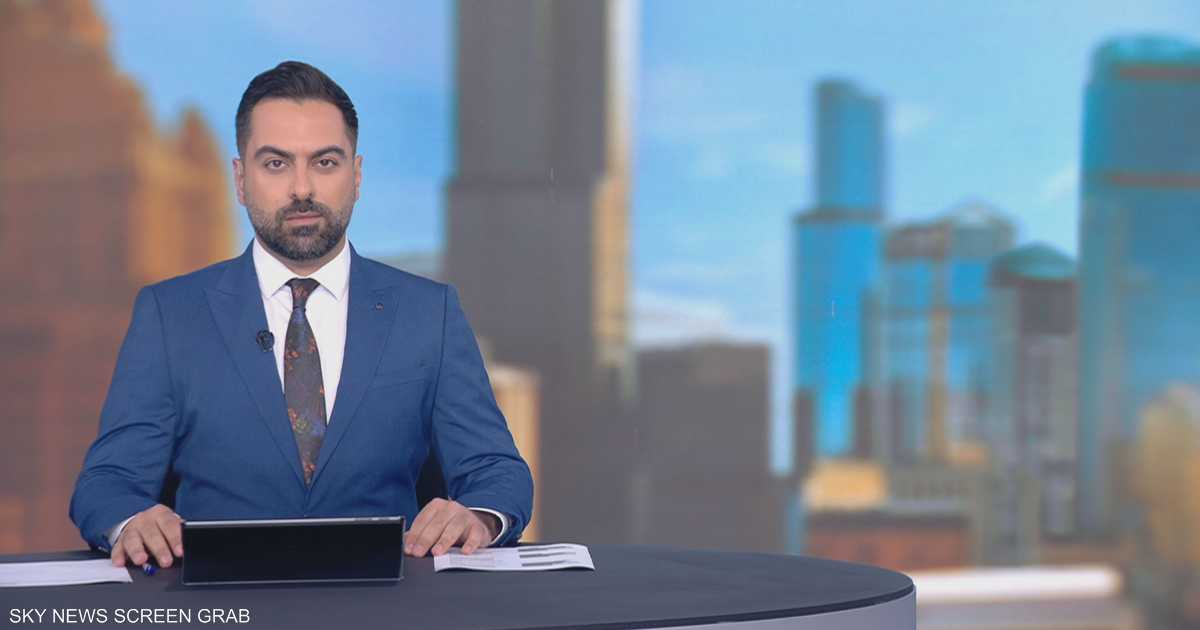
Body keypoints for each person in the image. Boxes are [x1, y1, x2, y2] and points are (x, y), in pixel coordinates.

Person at [69, 61, 533, 570]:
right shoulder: (170, 314)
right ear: (240, 179)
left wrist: (478, 516)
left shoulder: (428, 312)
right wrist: (132, 521)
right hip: (221, 599)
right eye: (276, 164)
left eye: (325, 162)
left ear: (356, 176)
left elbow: (497, 471)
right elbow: (107, 483)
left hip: (389, 600)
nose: (302, 188)